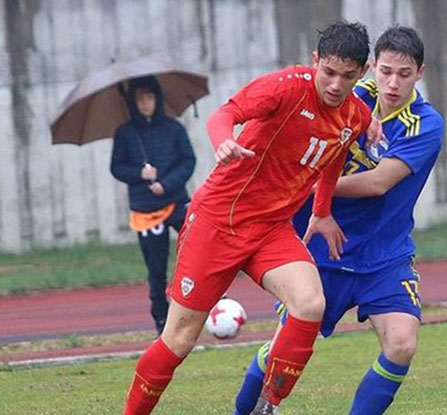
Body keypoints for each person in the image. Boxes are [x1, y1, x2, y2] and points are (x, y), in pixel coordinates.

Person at [123, 22, 381, 415]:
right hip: (218, 222)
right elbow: (224, 114)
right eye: (328, 72)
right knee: (178, 339)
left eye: (347, 77)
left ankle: (267, 406)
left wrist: (323, 211)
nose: (335, 85)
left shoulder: (356, 116)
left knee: (310, 303)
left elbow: (335, 157)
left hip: (270, 230)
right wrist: (223, 141)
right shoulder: (286, 86)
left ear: (362, 73)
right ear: (315, 62)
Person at [233, 26, 445, 415]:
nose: (392, 82)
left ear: (420, 72)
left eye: (403, 73)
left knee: (402, 342)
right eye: (385, 72)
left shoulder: (425, 124)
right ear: (371, 69)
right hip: (321, 248)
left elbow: (379, 182)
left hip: (384, 255)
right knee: (285, 346)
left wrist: (312, 187)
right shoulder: (346, 96)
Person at [111, 75, 197, 335]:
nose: (145, 103)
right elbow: (117, 168)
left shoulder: (174, 128)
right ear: (132, 102)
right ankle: (162, 319)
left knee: (199, 251)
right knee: (156, 268)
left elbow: (188, 161)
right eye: (139, 98)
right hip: (145, 209)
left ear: (157, 99)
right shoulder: (125, 133)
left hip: (178, 202)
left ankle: (214, 302)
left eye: (149, 97)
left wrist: (166, 184)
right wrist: (140, 173)